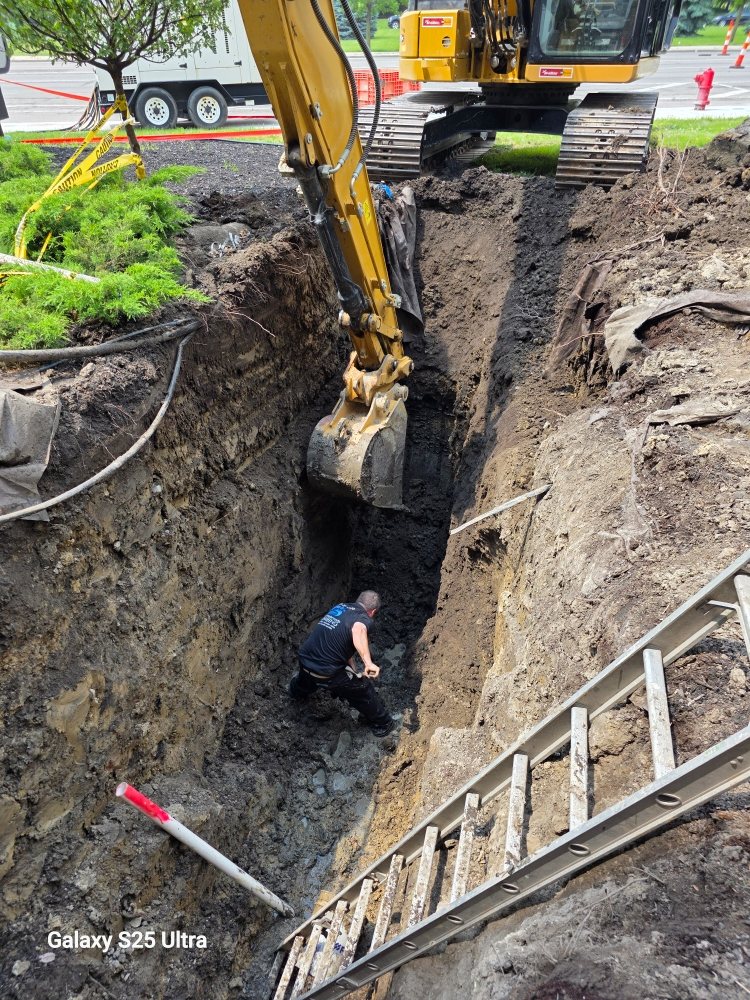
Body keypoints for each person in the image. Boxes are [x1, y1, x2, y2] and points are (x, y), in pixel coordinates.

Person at [291, 590, 396, 737]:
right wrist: (368, 663)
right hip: (326, 673)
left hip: (305, 660)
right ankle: (384, 723)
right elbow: (358, 630)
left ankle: (295, 691)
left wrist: (353, 670)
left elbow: (340, 644)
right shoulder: (363, 619)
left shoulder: (340, 608)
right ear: (372, 612)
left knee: (306, 680)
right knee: (362, 689)